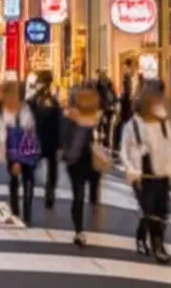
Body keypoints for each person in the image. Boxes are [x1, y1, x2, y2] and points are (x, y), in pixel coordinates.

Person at [121, 83, 171, 264]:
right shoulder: (133, 125)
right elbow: (124, 150)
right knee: (149, 209)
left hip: (162, 173)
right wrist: (131, 170)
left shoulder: (163, 122)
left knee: (160, 211)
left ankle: (149, 239)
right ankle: (155, 244)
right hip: (143, 175)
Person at [60, 84, 107, 245]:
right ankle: (79, 229)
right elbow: (66, 138)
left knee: (80, 194)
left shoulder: (94, 118)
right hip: (78, 160)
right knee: (79, 194)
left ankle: (81, 226)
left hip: (86, 159)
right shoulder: (72, 118)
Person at [0, 81, 39, 226]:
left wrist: (4, 152)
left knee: (15, 182)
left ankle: (16, 213)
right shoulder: (26, 109)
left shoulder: (8, 110)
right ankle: (26, 215)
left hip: (14, 150)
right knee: (27, 181)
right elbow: (31, 128)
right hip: (27, 149)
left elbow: (2, 134)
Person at [29, 71, 62, 209]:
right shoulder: (53, 102)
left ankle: (31, 191)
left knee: (31, 167)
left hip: (39, 139)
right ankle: (49, 192)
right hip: (49, 140)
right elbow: (59, 122)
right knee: (50, 168)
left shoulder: (33, 101)